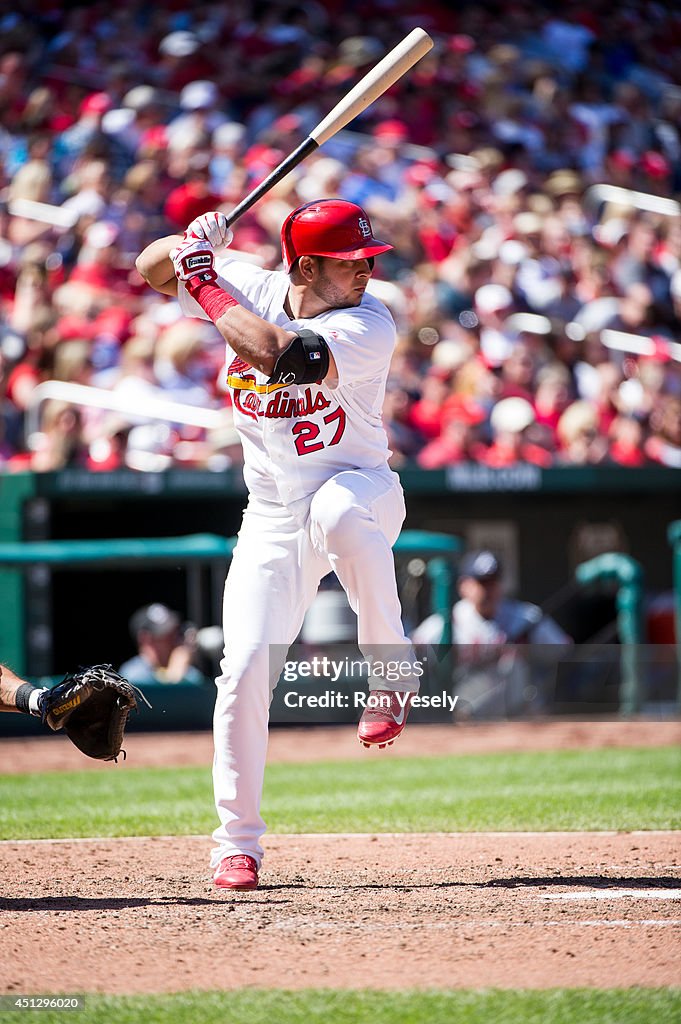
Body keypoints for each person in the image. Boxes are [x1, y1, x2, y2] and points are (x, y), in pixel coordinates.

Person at [136, 200, 420, 891]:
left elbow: (281, 356)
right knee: (241, 672)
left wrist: (202, 279)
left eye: (368, 260)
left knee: (337, 515)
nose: (366, 272)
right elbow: (148, 267)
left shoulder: (367, 320)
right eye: (351, 263)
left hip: (360, 486)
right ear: (305, 265)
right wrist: (190, 241)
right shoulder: (249, 282)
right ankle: (236, 845)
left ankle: (392, 671)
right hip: (269, 514)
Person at [412, 550, 571, 719]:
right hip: (465, 718)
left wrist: (531, 651)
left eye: (492, 582)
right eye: (481, 582)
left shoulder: (526, 618)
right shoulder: (447, 623)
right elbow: (409, 656)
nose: (487, 590)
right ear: (463, 586)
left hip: (522, 717)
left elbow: (564, 652)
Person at [119, 603, 204, 685]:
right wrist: (175, 674)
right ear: (145, 639)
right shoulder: (132, 674)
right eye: (165, 634)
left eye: (174, 631)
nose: (173, 638)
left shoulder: (189, 674)